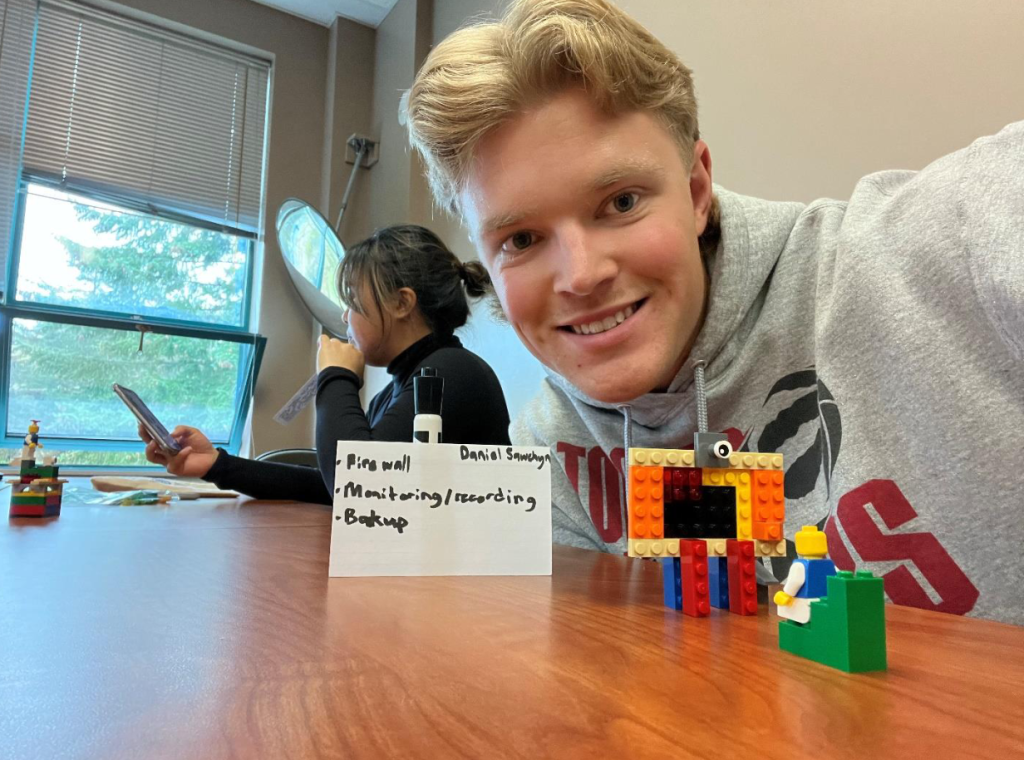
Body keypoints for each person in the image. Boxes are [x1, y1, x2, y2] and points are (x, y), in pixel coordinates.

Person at [404, 0, 1024, 622]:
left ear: (697, 191)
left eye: (621, 202)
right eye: (520, 240)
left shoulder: (945, 238)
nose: (582, 274)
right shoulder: (549, 448)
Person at [140, 224, 512, 505]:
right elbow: (329, 483)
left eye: (353, 302)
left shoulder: (452, 373)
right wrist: (216, 464)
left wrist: (336, 377)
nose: (346, 317)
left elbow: (358, 488)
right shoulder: (405, 383)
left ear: (401, 303)